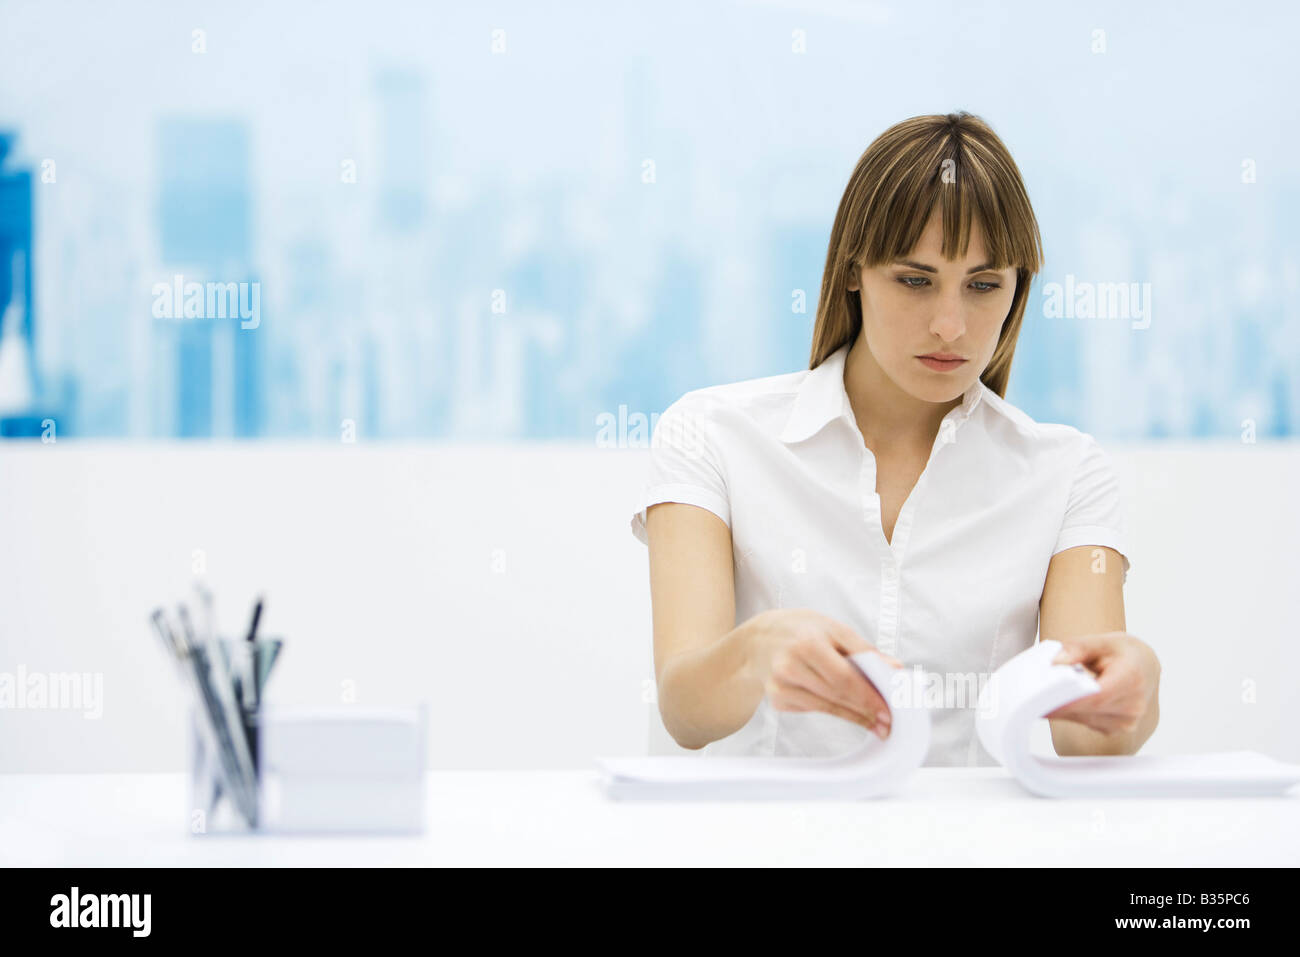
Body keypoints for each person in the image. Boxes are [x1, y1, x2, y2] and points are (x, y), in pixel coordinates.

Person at [630, 112, 1160, 766]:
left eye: (984, 285)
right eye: (915, 279)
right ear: (854, 270)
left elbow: (1083, 732)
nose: (950, 325)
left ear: (1018, 286)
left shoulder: (1069, 474)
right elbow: (684, 708)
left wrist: (1136, 690)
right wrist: (756, 651)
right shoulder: (711, 433)